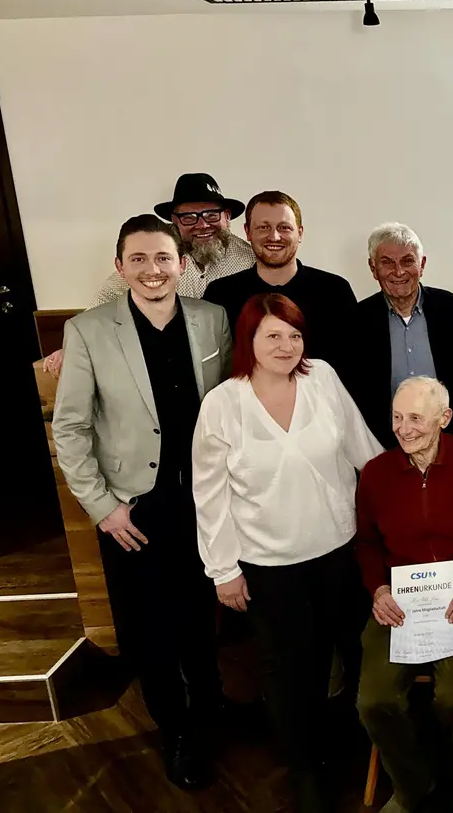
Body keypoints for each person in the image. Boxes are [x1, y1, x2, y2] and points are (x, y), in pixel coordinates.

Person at [52, 215, 233, 789]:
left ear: (181, 264)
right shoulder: (87, 330)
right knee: (150, 629)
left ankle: (211, 711)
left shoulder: (212, 320)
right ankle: (174, 731)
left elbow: (232, 407)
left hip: (203, 498)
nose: (152, 270)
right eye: (139, 259)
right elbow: (71, 429)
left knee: (201, 619)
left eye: (163, 259)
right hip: (134, 508)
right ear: (120, 266)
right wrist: (103, 508)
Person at [191, 292, 384, 811]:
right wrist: (223, 570)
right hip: (268, 563)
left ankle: (349, 749)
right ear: (248, 340)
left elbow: (361, 447)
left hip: (339, 550)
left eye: (294, 334)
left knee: (352, 652)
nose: (286, 345)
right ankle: (303, 766)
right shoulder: (223, 403)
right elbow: (209, 494)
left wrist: (405, 497)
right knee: (289, 667)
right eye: (272, 335)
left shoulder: (321, 376)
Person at [354, 377, 453, 813]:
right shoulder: (377, 472)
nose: (404, 428)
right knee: (374, 700)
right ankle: (414, 783)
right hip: (399, 598)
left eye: (416, 418)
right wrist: (378, 589)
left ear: (445, 418)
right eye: (397, 417)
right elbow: (365, 543)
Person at [42, 173, 256, 375]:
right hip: (158, 359)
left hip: (225, 362)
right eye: (189, 217)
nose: (202, 224)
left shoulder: (249, 259)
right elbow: (107, 299)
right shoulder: (157, 250)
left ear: (227, 217)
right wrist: (72, 347)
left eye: (211, 215)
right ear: (175, 221)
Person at [202, 190, 358, 375]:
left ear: (300, 233)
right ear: (247, 232)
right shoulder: (220, 294)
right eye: (263, 227)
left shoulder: (335, 292)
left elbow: (354, 367)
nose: (274, 236)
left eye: (284, 227)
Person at [348, 223, 453, 448]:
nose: (399, 271)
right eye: (387, 263)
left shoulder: (451, 309)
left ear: (421, 265)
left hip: (447, 440)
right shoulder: (356, 319)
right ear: (373, 268)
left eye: (407, 260)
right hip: (385, 444)